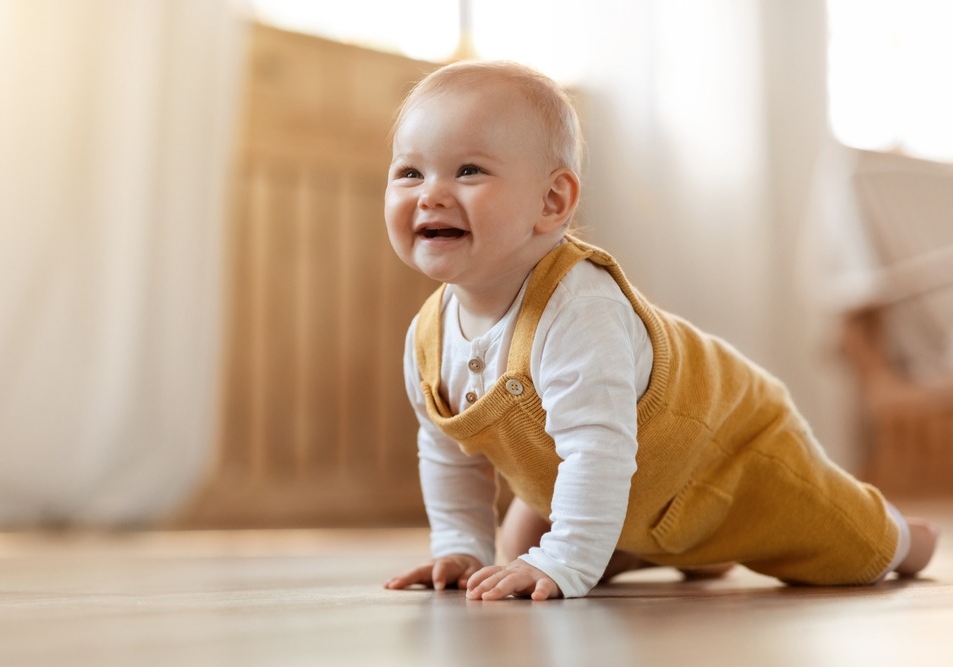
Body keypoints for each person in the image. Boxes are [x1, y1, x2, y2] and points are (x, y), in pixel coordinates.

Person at [381, 60, 939, 601]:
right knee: (521, 550)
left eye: (469, 170)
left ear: (551, 201)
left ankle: (907, 539)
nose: (429, 193)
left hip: (727, 453)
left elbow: (598, 449)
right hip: (622, 482)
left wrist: (568, 559)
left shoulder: (579, 311)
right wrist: (462, 549)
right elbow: (448, 450)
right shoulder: (429, 338)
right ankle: (663, 548)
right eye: (410, 172)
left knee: (847, 552)